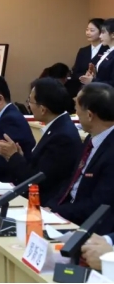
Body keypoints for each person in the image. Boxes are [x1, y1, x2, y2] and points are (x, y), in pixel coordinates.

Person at [0, 78, 82, 204]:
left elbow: (37, 180)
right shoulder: (58, 127)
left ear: (43, 109)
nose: (29, 106)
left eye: (30, 101)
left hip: (44, 203)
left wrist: (13, 156)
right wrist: (19, 156)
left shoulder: (63, 137)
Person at [47, 82, 114, 234]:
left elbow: (98, 205)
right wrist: (50, 207)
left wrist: (57, 212)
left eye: (77, 109)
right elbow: (71, 181)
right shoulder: (92, 138)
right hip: (67, 213)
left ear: (90, 115)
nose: (75, 112)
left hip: (90, 227)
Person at [67, 18, 107, 97]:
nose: (88, 33)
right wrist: (83, 76)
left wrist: (93, 78)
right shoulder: (83, 51)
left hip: (101, 91)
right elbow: (75, 71)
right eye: (87, 30)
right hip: (83, 90)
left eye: (92, 30)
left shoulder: (107, 50)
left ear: (101, 32)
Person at [80, 19, 114, 87]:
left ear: (113, 35)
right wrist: (94, 74)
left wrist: (92, 81)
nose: (100, 36)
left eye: (103, 32)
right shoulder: (109, 52)